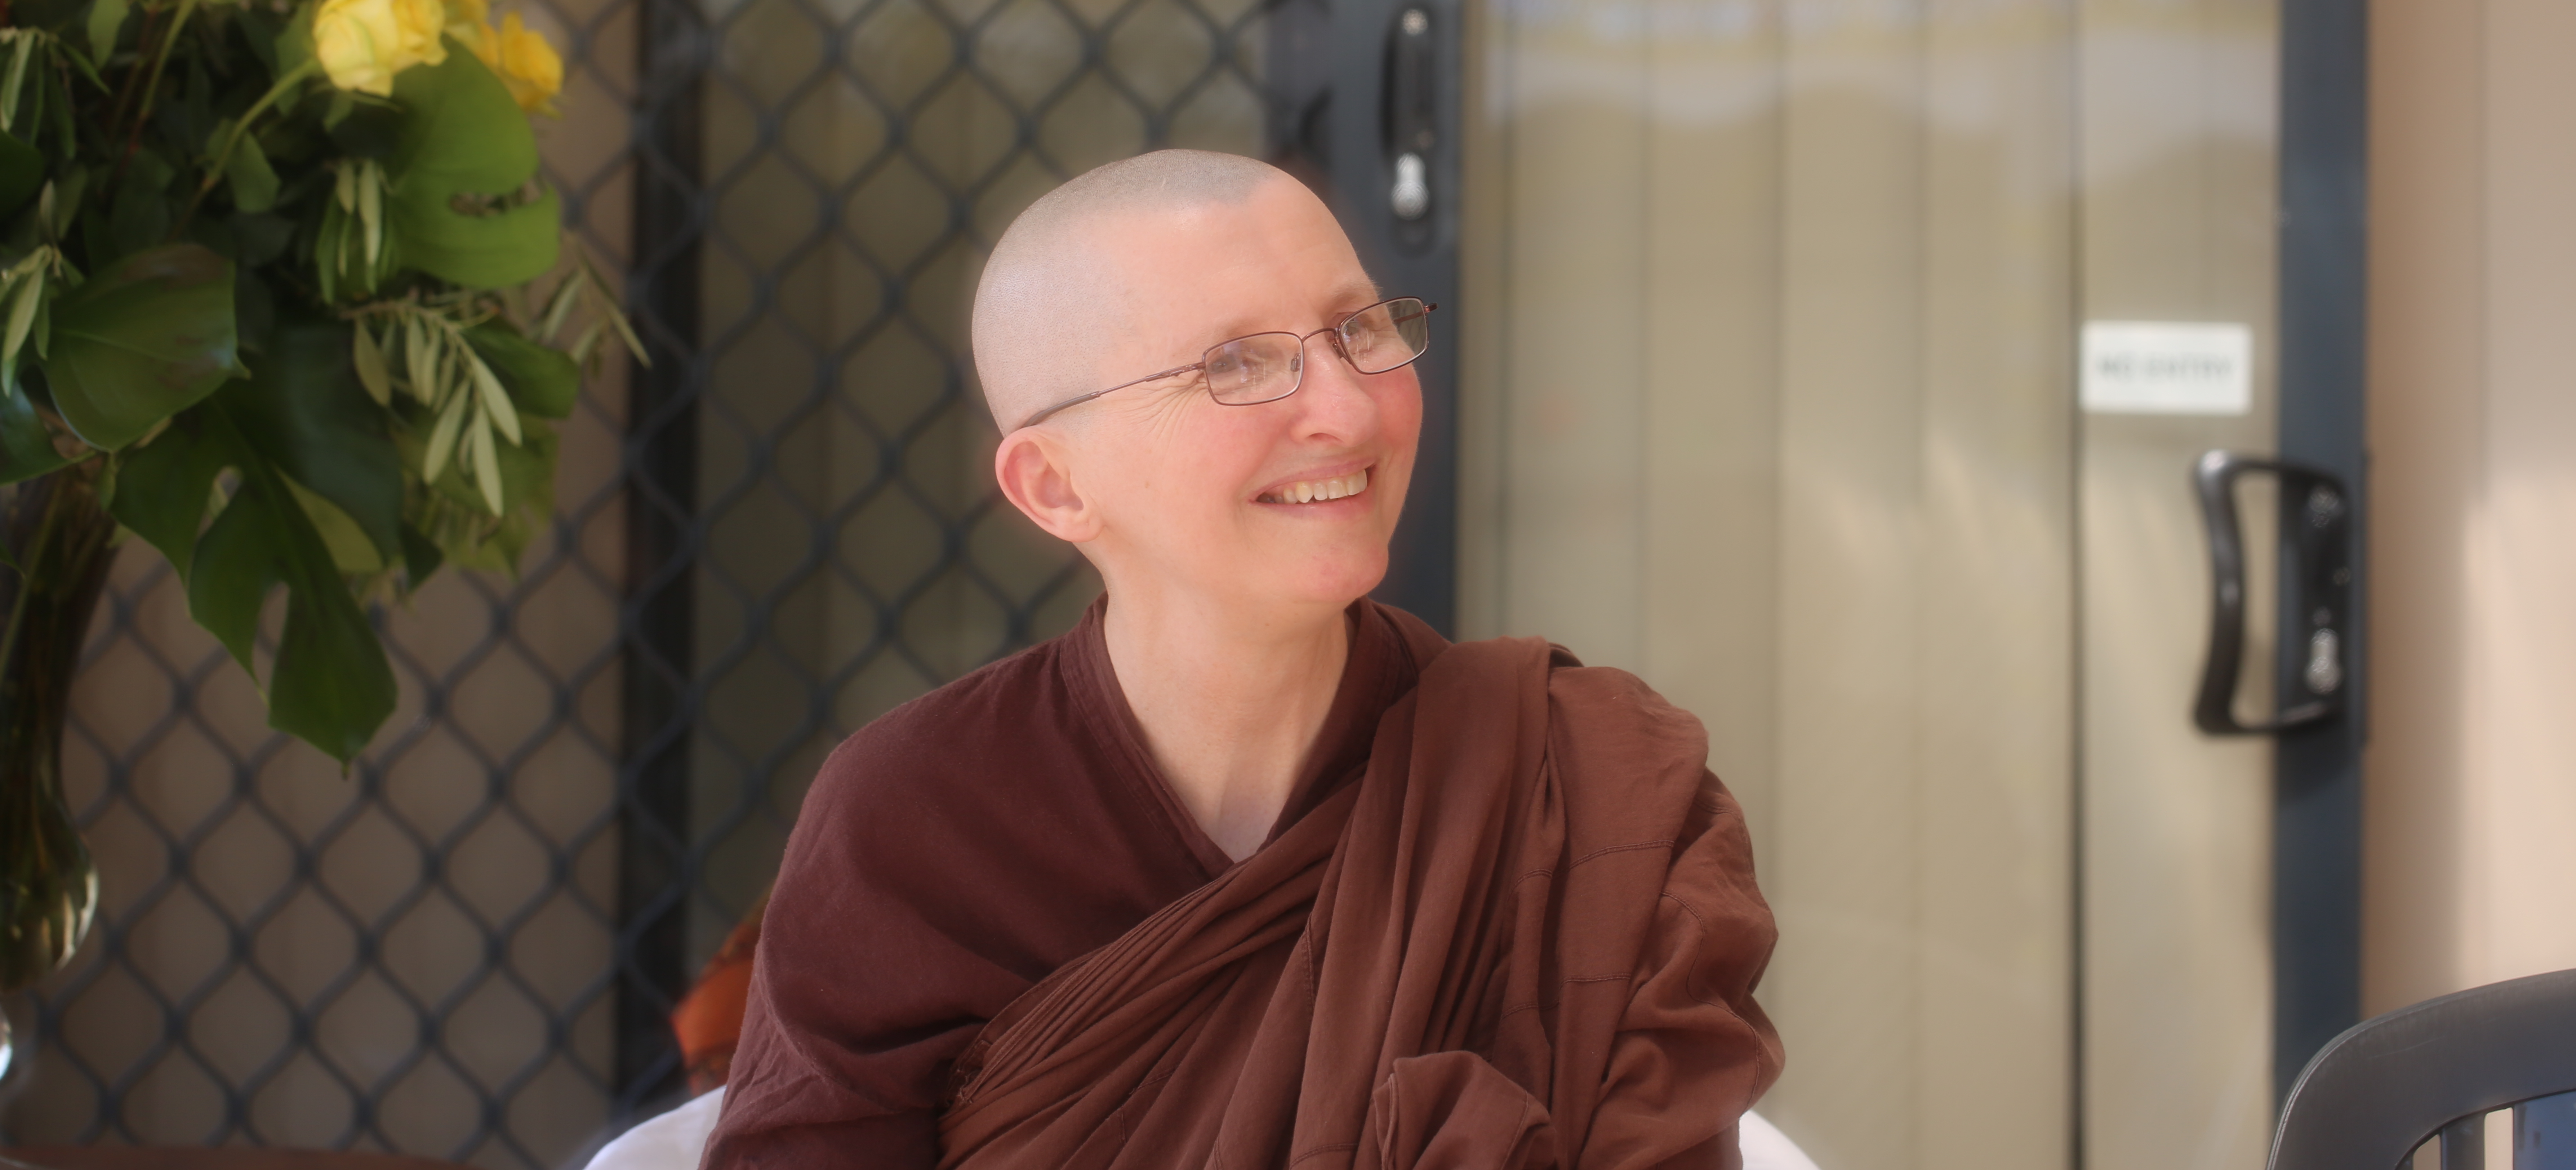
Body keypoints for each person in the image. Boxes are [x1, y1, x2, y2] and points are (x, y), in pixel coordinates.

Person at [703, 151, 1781, 1170]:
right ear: (1055, 486)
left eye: (1361, 330)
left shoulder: (1582, 788)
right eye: (1238, 364)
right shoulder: (915, 819)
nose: (1348, 411)